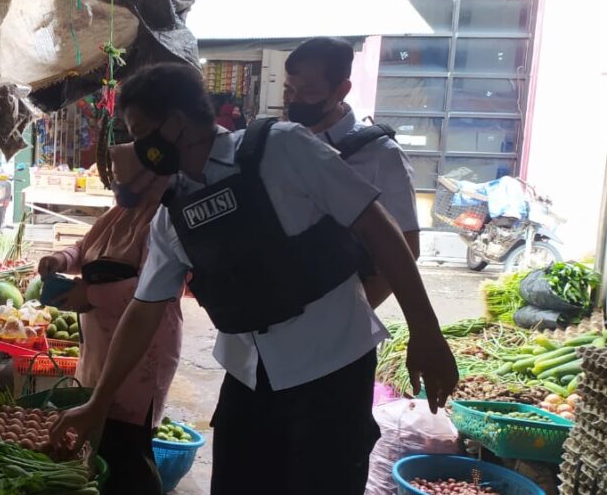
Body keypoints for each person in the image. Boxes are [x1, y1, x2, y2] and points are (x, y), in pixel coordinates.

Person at [49, 63, 458, 494]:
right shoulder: (173, 214)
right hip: (248, 377)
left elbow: (377, 229)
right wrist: (98, 402)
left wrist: (426, 332)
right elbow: (145, 309)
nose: (136, 146)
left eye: (139, 130)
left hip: (333, 369)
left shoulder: (282, 148)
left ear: (173, 125)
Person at [37, 156, 180, 495]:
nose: (118, 188)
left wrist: (90, 293)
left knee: (128, 444)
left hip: (142, 353)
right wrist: (61, 259)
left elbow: (152, 289)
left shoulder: (162, 220)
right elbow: (85, 247)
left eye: (124, 181)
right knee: (99, 431)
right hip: (100, 347)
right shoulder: (117, 214)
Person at [283, 37, 420, 307]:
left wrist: (349, 320)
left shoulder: (381, 156)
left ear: (341, 90)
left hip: (339, 320)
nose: (294, 101)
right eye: (288, 90)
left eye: (308, 92)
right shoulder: (277, 143)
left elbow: (407, 248)